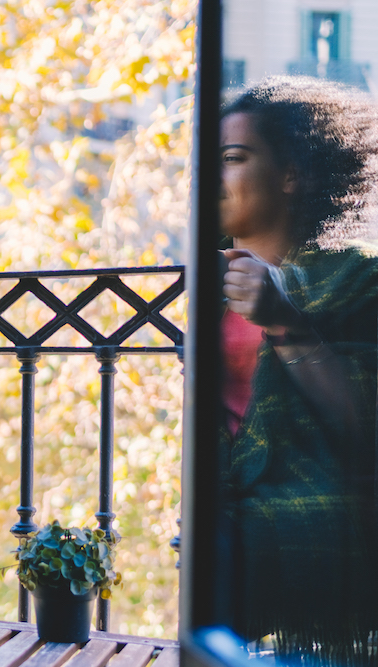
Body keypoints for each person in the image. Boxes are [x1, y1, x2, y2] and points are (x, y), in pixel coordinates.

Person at [219, 76, 378, 661]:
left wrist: (286, 322)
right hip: (221, 543)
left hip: (320, 541)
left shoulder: (358, 280)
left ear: (290, 174)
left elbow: (366, 425)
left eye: (233, 158)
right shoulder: (205, 289)